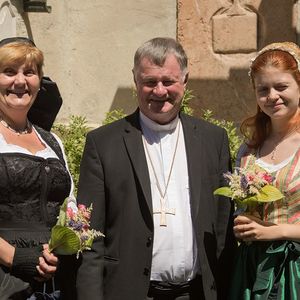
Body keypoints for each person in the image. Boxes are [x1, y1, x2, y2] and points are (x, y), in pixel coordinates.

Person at [76, 37, 236, 300]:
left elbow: (223, 229)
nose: (160, 91)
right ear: (135, 81)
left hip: (196, 293)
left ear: (185, 81)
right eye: (150, 82)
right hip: (131, 292)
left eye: (168, 81)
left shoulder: (213, 139)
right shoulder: (103, 143)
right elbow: (90, 237)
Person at [0, 37, 74, 299]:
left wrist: (69, 241)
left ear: (39, 81)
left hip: (56, 282)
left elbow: (71, 207)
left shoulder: (52, 142)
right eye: (9, 71)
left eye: (29, 72)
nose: (20, 81)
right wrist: (15, 257)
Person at [230, 42, 300, 299]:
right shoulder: (249, 148)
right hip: (252, 267)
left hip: (295, 268)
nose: (272, 96)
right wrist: (242, 223)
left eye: (281, 86)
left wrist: (274, 231)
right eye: (263, 89)